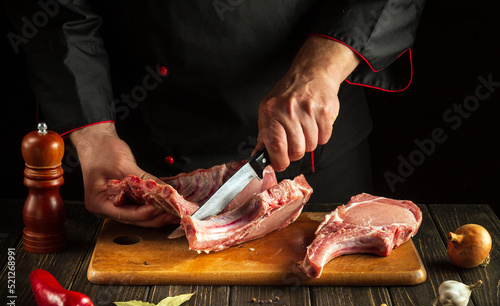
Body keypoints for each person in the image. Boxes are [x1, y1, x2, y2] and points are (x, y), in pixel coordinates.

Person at [5, 1, 425, 227]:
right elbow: (56, 11)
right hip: (135, 153)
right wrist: (94, 137)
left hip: (308, 146)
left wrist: (320, 69)